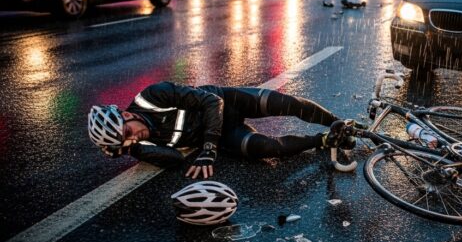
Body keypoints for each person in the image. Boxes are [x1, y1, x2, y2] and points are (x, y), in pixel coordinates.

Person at [87, 82, 356, 179]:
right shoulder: (140, 145)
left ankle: (338, 122)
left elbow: (211, 102)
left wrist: (208, 149)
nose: (134, 138)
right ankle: (323, 139)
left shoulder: (153, 95)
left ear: (125, 114)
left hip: (225, 102)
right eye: (126, 143)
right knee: (265, 149)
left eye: (127, 132)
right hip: (224, 135)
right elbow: (175, 160)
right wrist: (134, 149)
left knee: (286, 104)